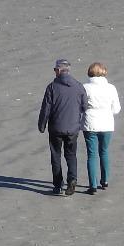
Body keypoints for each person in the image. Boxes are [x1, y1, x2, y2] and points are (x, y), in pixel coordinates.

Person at [37, 59, 86, 195]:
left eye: (55, 70)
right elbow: (84, 106)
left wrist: (42, 125)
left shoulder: (52, 87)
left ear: (59, 71)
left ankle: (58, 184)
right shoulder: (78, 86)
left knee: (56, 155)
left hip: (56, 128)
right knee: (71, 155)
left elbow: (45, 109)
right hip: (73, 128)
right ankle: (72, 180)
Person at [81, 62, 122, 194]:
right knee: (104, 152)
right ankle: (104, 181)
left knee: (92, 154)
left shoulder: (85, 87)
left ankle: (93, 185)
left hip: (90, 123)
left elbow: (81, 106)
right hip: (107, 123)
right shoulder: (111, 88)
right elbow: (116, 109)